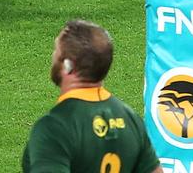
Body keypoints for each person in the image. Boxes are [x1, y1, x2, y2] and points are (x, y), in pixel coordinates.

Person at [22, 20, 162, 173]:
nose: (53, 56)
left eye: (56, 51)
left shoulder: (56, 127)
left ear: (68, 66)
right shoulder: (131, 119)